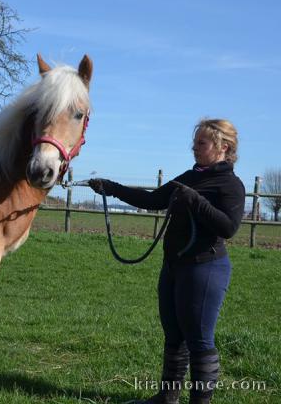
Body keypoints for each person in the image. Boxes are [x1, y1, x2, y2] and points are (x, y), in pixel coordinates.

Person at [89, 119, 245, 404]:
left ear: (223, 147)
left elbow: (228, 228)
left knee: (199, 340)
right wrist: (111, 188)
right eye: (195, 142)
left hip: (204, 268)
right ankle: (167, 398)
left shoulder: (230, 185)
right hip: (174, 267)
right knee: (174, 334)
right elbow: (153, 200)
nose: (194, 148)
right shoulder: (190, 176)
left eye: (202, 143)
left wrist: (196, 201)